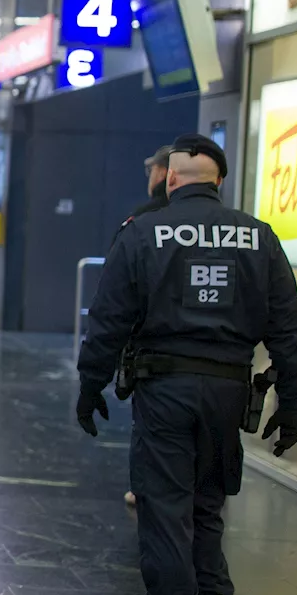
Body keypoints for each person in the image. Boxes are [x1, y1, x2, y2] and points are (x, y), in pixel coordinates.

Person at [76, 134, 297, 595]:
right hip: (229, 393)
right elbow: (288, 328)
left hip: (165, 391)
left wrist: (91, 387)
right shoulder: (259, 237)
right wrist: (292, 401)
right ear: (220, 182)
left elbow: (108, 319)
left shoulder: (142, 234)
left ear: (169, 179)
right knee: (207, 508)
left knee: (163, 510)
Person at [120, 145, 173, 508]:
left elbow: (117, 292)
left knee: (153, 430)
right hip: (219, 362)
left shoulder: (141, 222)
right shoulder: (236, 227)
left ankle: (147, 490)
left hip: (153, 351)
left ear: (164, 174)